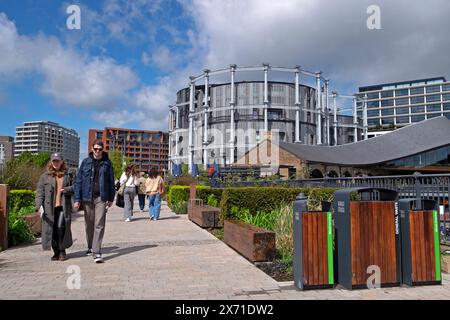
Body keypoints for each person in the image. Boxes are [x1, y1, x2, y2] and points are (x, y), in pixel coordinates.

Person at [73, 140, 115, 263]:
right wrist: (77, 199)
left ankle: (97, 252)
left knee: (99, 224)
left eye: (100, 149)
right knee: (89, 224)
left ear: (103, 150)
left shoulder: (107, 163)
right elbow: (78, 181)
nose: (97, 151)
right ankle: (91, 246)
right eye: (95, 149)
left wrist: (111, 198)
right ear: (92, 148)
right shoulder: (85, 162)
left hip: (101, 197)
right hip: (87, 197)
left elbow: (111, 182)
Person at [35, 153, 73, 261]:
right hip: (49, 209)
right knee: (51, 230)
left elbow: (76, 186)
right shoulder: (44, 176)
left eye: (58, 161)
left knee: (61, 229)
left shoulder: (67, 175)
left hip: (62, 207)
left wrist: (67, 189)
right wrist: (38, 206)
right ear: (51, 162)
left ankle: (62, 251)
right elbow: (39, 192)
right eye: (54, 161)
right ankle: (55, 251)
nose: (56, 163)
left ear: (62, 162)